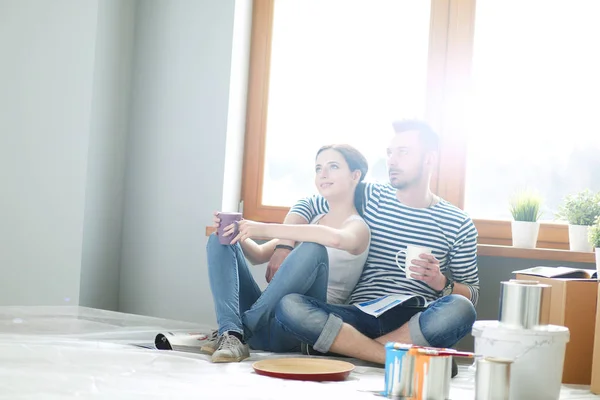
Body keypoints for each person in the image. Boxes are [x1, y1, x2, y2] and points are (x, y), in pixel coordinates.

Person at [269, 120, 479, 375]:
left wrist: (440, 282)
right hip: (357, 315)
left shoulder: (458, 223)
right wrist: (283, 246)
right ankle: (396, 356)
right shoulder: (369, 196)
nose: (392, 160)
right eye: (390, 153)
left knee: (460, 309)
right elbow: (308, 204)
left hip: (413, 318)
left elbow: (472, 293)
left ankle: (346, 350)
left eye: (403, 152)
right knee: (290, 305)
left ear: (429, 159)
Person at [204, 144, 371, 363]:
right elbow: (258, 255)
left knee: (313, 247)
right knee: (219, 240)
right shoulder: (313, 221)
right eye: (318, 168)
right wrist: (235, 231)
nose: (323, 174)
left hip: (296, 324)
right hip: (265, 322)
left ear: (355, 175)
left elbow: (334, 239)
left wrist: (262, 228)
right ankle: (232, 333)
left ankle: (238, 329)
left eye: (333, 166)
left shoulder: (358, 227)